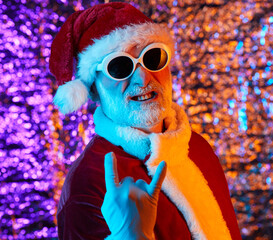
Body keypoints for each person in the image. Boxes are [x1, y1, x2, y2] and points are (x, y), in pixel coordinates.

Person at [50, 2, 241, 240]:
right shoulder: (88, 182)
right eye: (119, 66)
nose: (142, 77)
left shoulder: (198, 147)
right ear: (93, 90)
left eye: (152, 56)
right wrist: (130, 236)